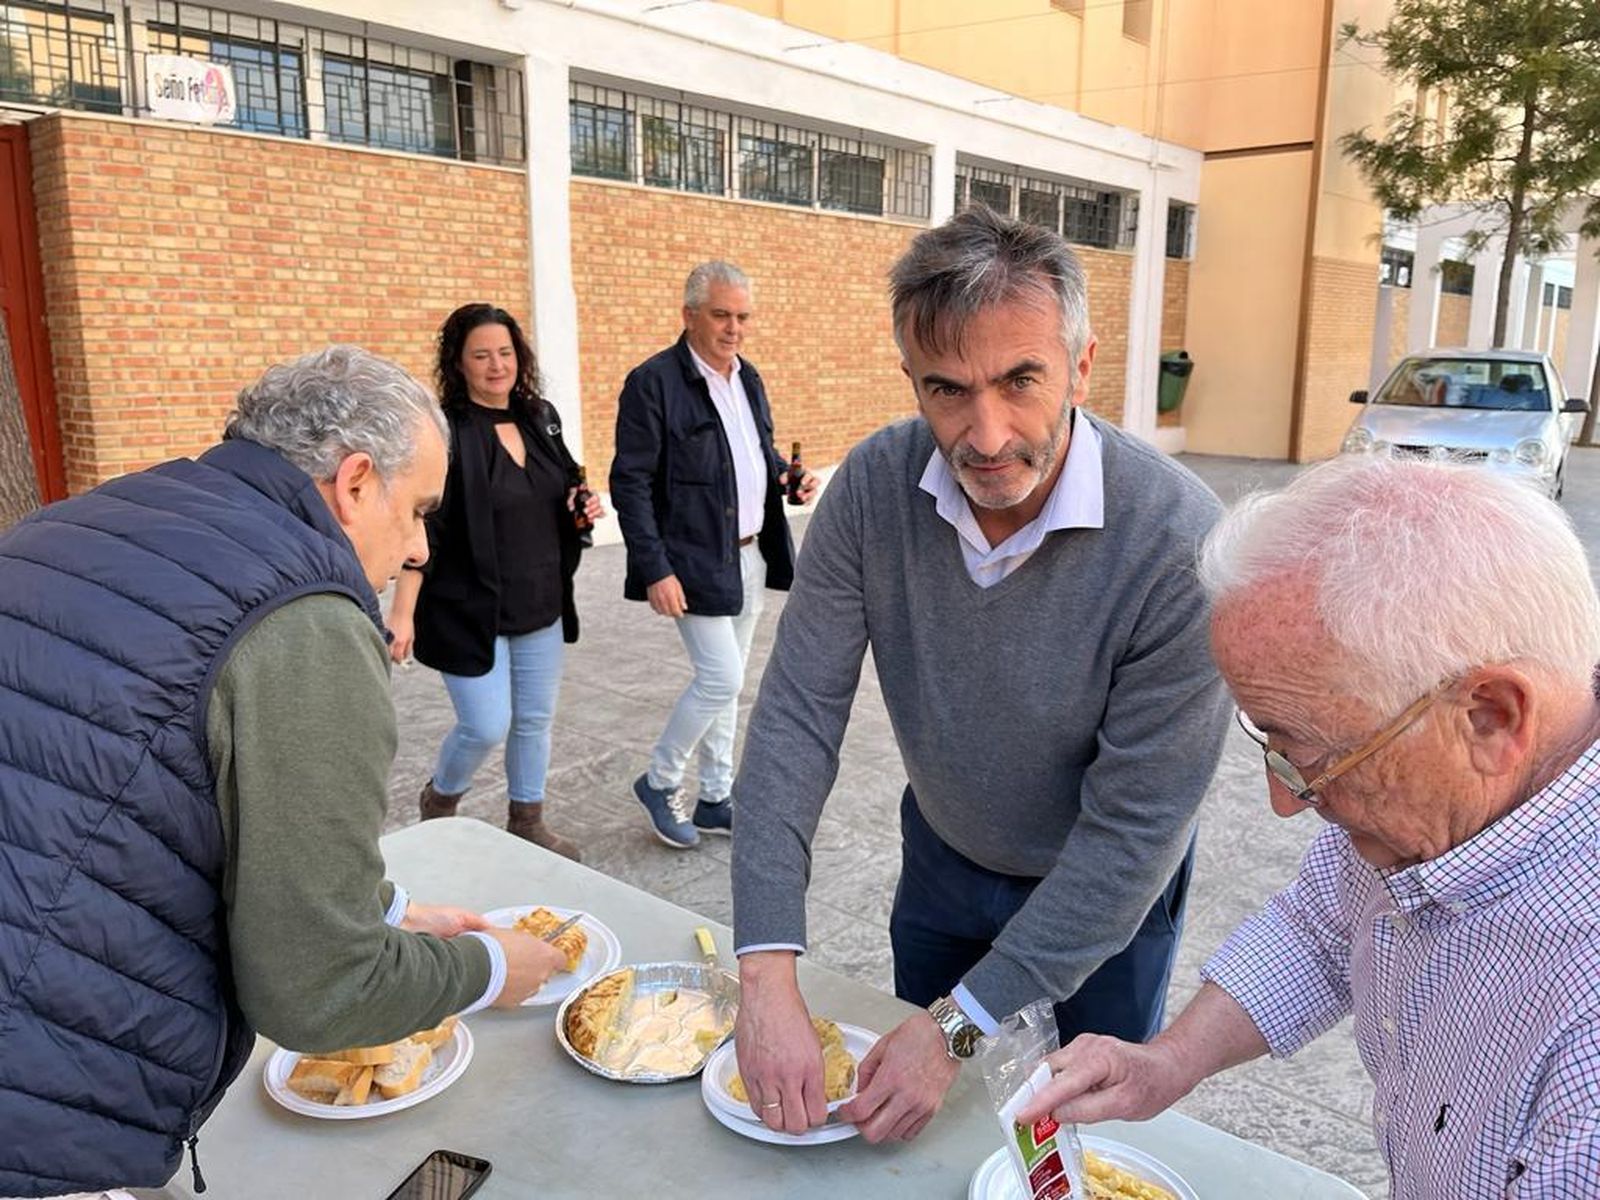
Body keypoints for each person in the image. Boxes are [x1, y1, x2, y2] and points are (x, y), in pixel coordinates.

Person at [0, 347, 567, 1197]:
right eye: (416, 513)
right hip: (43, 1096)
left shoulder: (90, 518)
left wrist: (397, 909)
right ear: (356, 483)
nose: (417, 549)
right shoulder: (307, 617)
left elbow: (148, 790)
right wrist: (489, 972)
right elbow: (316, 990)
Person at [729, 207, 1231, 1144]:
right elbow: (798, 716)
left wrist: (959, 1026)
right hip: (944, 865)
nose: (987, 434)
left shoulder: (1177, 544)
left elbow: (1133, 834)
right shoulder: (874, 490)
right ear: (911, 380)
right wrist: (764, 970)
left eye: (1021, 380)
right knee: (930, 1126)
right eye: (948, 390)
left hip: (1104, 899)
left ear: (1083, 367)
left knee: (1083, 1139)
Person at [1017, 455, 1600, 1198]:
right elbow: (1320, 929)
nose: (1285, 803)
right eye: (1271, 745)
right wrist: (1167, 1062)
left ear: (1490, 717)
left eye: (1311, 755)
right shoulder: (1436, 811)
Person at [610, 260, 816, 849]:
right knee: (720, 677)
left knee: (729, 682)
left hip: (749, 554)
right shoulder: (653, 383)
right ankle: (660, 780)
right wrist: (655, 567)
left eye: (742, 317)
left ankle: (715, 796)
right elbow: (630, 481)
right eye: (721, 315)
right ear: (689, 316)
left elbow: (754, 453)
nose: (734, 328)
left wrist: (785, 479)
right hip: (692, 560)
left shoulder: (746, 377)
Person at [387, 304, 602, 861]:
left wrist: (582, 504)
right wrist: (403, 611)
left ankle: (526, 819)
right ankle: (440, 798)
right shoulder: (446, 432)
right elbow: (423, 520)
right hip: (466, 606)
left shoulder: (540, 416)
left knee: (533, 720)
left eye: (504, 352)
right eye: (481, 355)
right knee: (485, 725)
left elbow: (566, 481)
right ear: (458, 364)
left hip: (540, 600)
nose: (495, 365)